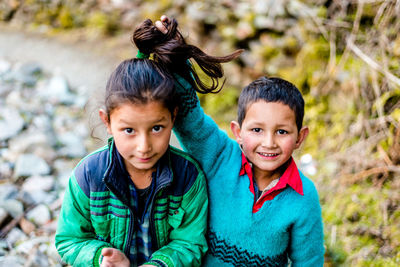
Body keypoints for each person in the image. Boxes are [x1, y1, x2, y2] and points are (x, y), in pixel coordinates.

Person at [54, 18, 231, 267]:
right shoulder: (88, 175)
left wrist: (160, 264)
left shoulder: (189, 178)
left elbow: (190, 244)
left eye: (157, 128)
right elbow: (69, 239)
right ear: (107, 121)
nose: (144, 146)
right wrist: (98, 258)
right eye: (128, 130)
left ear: (174, 117)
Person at [154, 16, 325, 266]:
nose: (269, 143)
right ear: (238, 131)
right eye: (256, 130)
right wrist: (173, 54)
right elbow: (192, 122)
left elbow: (308, 262)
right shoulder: (220, 157)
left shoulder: (303, 197)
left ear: (300, 137)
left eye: (282, 132)